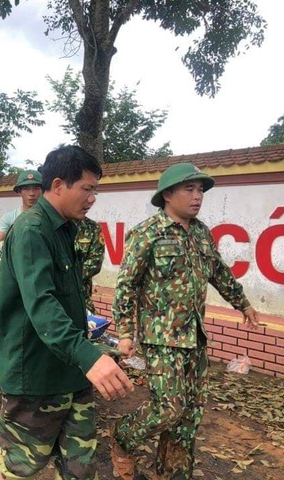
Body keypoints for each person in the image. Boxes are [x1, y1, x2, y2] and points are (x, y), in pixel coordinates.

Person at [110, 163, 260, 480]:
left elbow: (218, 271)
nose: (197, 196)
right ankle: (122, 436)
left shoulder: (201, 233)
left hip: (195, 338)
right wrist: (125, 333)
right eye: (189, 189)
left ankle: (173, 474)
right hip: (161, 337)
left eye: (201, 190)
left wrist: (242, 302)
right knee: (169, 408)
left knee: (189, 415)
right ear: (168, 194)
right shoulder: (148, 233)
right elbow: (127, 285)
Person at [0, 145, 133, 480]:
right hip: (36, 376)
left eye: (94, 190)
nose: (92, 198)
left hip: (71, 370)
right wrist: (89, 356)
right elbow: (42, 303)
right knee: (21, 469)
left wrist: (93, 350)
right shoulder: (31, 230)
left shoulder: (66, 229)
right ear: (57, 185)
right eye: (87, 189)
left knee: (81, 468)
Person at [0, 169, 43, 251]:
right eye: (26, 189)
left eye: (36, 188)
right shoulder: (9, 218)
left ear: (42, 191)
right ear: (19, 192)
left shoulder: (50, 216)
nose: (31, 193)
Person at [75, 216, 105, 314]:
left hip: (81, 296)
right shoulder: (51, 225)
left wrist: (68, 276)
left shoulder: (93, 228)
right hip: (51, 297)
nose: (90, 200)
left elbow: (95, 263)